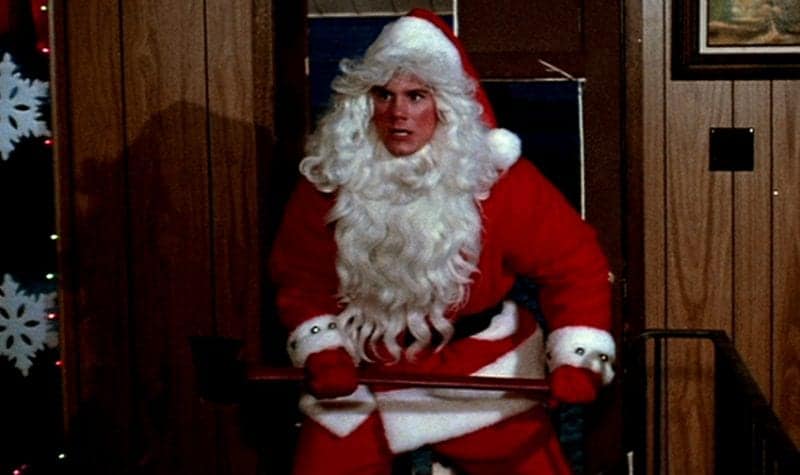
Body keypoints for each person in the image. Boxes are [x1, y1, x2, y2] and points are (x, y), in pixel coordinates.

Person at [269, 8, 615, 474]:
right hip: (363, 368)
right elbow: (300, 277)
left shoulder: (499, 181)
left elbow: (576, 266)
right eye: (383, 95)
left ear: (446, 106)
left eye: (416, 96)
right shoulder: (331, 179)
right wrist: (323, 349)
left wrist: (577, 356)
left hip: (480, 371)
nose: (398, 113)